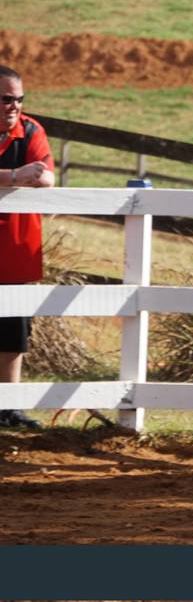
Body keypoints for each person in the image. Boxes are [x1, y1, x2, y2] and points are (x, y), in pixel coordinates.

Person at [0, 65, 55, 429]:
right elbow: (29, 174)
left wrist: (29, 176)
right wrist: (15, 176)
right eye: (7, 99)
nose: (15, 106)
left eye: (19, 99)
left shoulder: (31, 130)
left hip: (14, 252)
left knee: (13, 333)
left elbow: (47, 177)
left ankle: (8, 408)